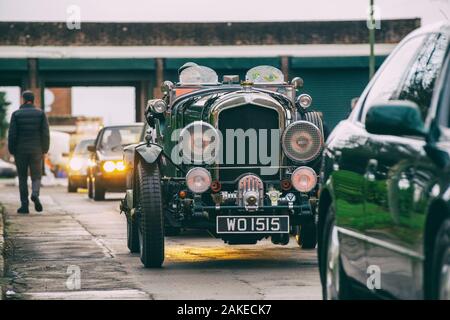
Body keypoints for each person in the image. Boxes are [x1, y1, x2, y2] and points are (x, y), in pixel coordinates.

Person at [8, 90, 50, 214]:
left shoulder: (16, 114)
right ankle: (35, 193)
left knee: (22, 178)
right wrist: (45, 149)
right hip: (36, 150)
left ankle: (24, 206)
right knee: (36, 176)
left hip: (20, 151)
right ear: (33, 100)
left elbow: (12, 134)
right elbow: (45, 134)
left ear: (23, 99)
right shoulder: (41, 114)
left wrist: (12, 149)